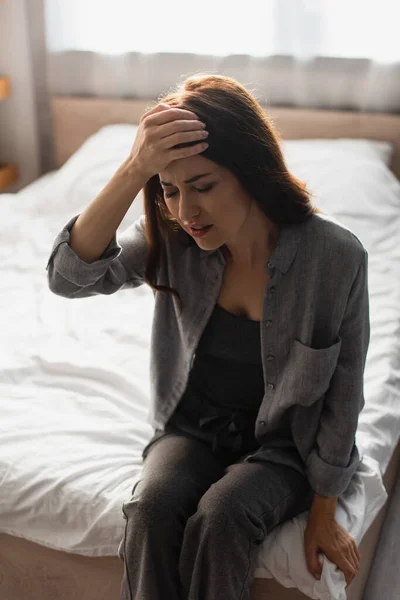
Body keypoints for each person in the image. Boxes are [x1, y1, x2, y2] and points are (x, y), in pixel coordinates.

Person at [46, 73, 369, 600]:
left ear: (252, 172)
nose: (186, 212)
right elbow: (67, 277)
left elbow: (345, 392)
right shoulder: (171, 239)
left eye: (203, 186)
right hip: (191, 430)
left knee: (222, 517)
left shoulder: (334, 257)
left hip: (285, 446)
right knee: (149, 509)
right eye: (170, 191)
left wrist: (324, 511)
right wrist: (136, 169)